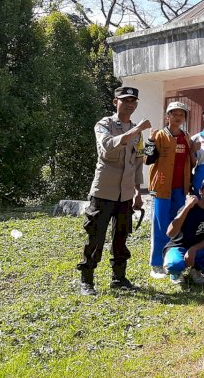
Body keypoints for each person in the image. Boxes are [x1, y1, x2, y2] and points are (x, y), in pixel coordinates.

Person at [77, 86, 151, 295]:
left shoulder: (138, 132)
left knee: (121, 236)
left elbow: (138, 161)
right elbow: (108, 146)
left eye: (133, 101)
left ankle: (119, 278)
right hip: (104, 192)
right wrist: (135, 131)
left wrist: (138, 191)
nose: (130, 104)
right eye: (125, 100)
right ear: (115, 102)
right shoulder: (104, 124)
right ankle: (87, 280)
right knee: (96, 237)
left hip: (126, 194)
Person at [145, 100, 194, 279]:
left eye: (181, 115)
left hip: (181, 189)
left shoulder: (186, 137)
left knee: (177, 225)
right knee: (160, 225)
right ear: (168, 116)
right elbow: (147, 160)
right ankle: (156, 264)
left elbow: (191, 161)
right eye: (175, 114)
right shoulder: (159, 135)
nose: (178, 117)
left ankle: (172, 261)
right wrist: (150, 140)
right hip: (162, 188)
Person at [163, 175, 204, 285]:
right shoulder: (189, 208)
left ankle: (196, 270)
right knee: (173, 264)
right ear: (200, 191)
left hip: (199, 247)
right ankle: (176, 273)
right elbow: (170, 233)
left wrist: (194, 249)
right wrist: (187, 207)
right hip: (178, 246)